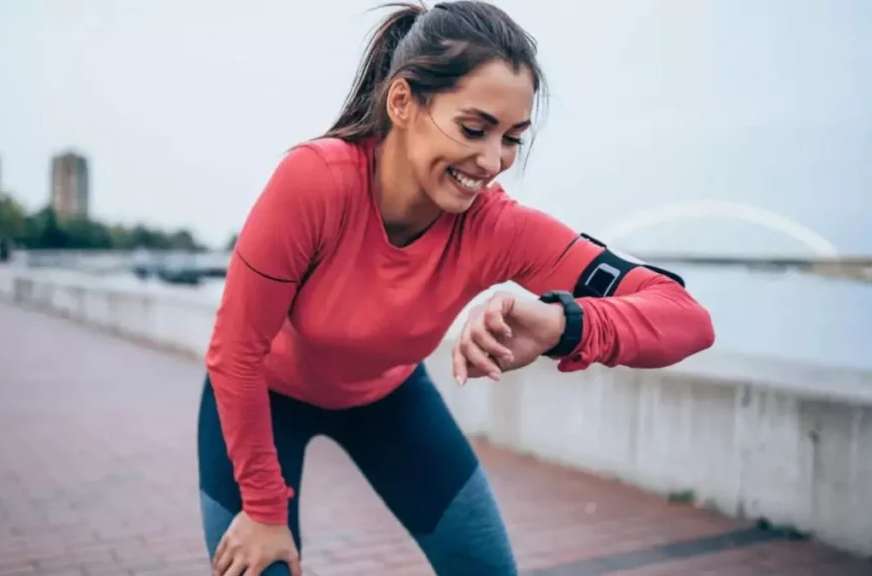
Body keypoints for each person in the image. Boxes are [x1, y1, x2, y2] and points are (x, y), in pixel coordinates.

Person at [198, 2, 716, 575]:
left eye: (512, 138)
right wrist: (266, 510)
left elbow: (686, 318)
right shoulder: (315, 182)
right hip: (262, 400)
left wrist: (562, 324)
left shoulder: (496, 226)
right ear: (401, 102)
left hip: (388, 402)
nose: (493, 161)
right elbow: (236, 352)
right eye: (474, 129)